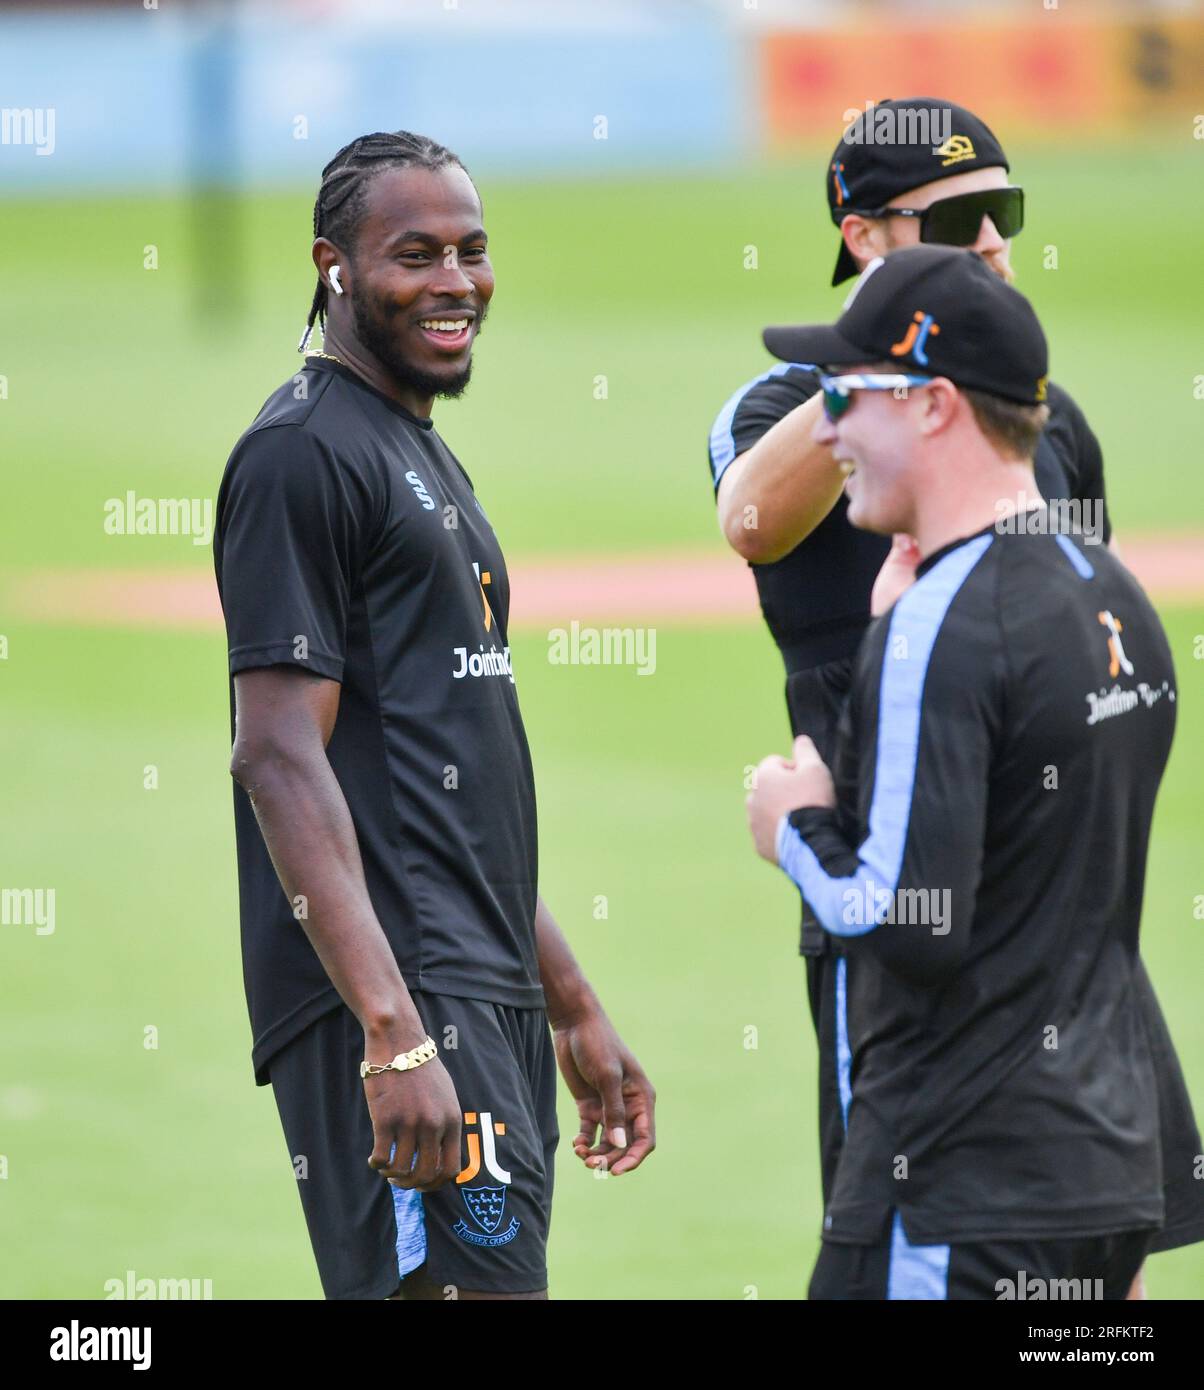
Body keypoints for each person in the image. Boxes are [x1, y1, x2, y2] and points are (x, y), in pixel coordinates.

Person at [709, 98, 1204, 1277]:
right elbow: (749, 523)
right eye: (962, 218)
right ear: (862, 228)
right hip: (885, 847)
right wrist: (866, 369)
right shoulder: (794, 410)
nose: (994, 242)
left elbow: (1073, 626)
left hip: (1038, 892)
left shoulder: (1044, 427)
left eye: (1008, 213)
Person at [213, 131, 655, 1301]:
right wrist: (393, 1030)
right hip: (406, 993)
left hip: (476, 984)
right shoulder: (299, 456)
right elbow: (275, 754)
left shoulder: (418, 454)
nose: (455, 280)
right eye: (416, 254)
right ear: (335, 267)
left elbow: (447, 777)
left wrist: (567, 1001)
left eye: (471, 250)